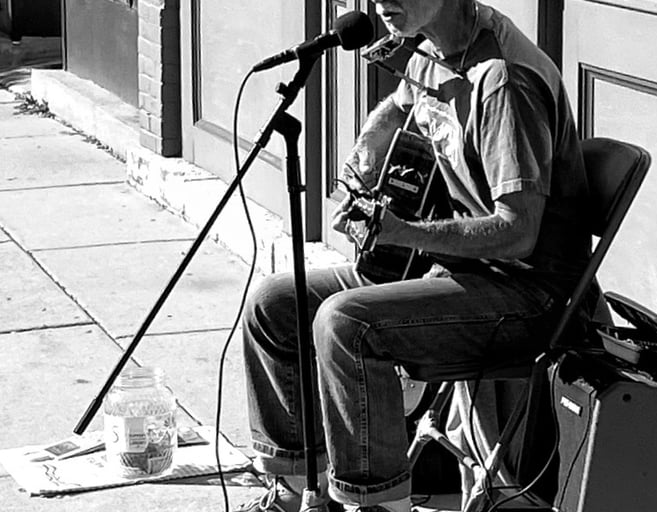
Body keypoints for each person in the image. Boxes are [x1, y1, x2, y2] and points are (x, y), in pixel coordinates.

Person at [237, 1, 594, 511]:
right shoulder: (435, 48)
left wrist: (406, 232)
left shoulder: (504, 81)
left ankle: (379, 503)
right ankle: (297, 490)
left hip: (530, 293)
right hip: (462, 273)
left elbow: (518, 233)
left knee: (347, 324)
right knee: (275, 302)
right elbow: (404, 106)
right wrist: (365, 157)